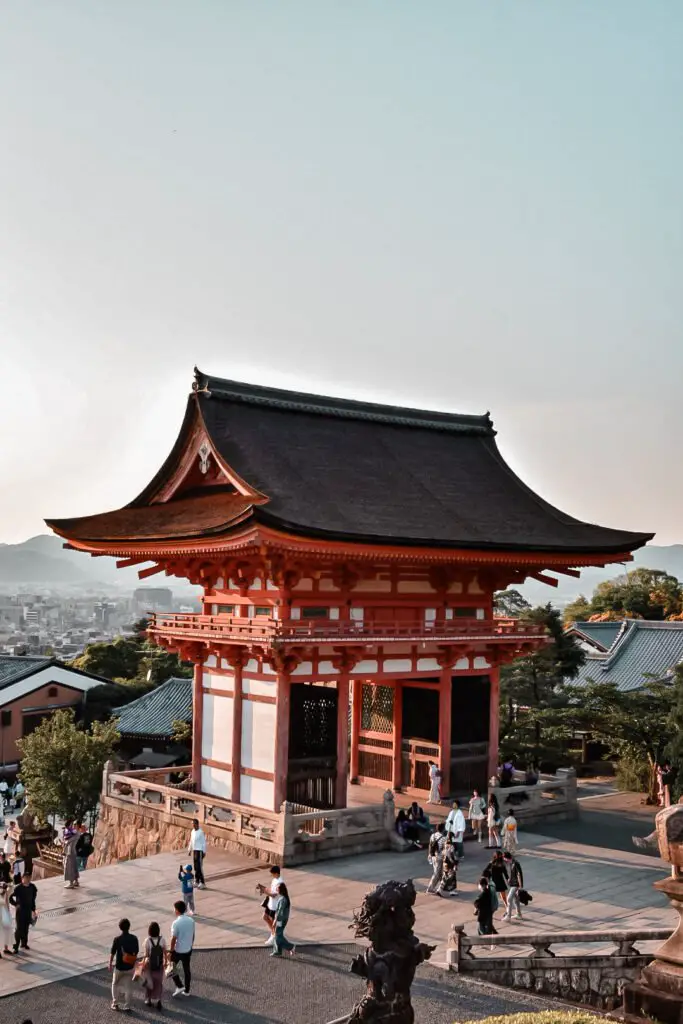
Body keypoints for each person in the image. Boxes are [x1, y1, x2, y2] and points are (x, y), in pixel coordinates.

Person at [108, 917, 139, 1012]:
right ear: (129, 927)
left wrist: (110, 963)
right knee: (128, 987)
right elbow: (136, 952)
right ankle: (127, 1006)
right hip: (130, 966)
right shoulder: (134, 938)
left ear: (119, 927)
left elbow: (112, 952)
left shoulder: (117, 939)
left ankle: (115, 1003)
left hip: (119, 967)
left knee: (115, 984)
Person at [170, 899, 195, 998]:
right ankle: (187, 990)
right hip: (188, 949)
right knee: (187, 969)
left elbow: (173, 938)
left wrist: (171, 950)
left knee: (171, 967)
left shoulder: (176, 923)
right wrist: (190, 945)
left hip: (178, 950)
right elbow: (193, 935)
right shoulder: (191, 920)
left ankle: (179, 985)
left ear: (177, 910)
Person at [257, 865, 286, 945]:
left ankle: (274, 936)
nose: (271, 875)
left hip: (275, 906)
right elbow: (271, 890)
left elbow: (274, 895)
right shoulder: (274, 880)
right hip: (270, 904)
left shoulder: (280, 883)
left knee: (274, 922)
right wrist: (263, 888)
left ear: (276, 873)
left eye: (272, 874)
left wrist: (265, 891)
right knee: (265, 917)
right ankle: (273, 934)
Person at [9, 872, 37, 954]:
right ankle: (15, 947)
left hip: (28, 910)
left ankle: (24, 943)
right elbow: (10, 897)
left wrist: (34, 910)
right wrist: (15, 904)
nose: (27, 879)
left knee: (26, 928)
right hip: (20, 911)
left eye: (29, 877)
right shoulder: (18, 888)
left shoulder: (32, 887)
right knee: (19, 929)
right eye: (26, 877)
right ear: (22, 878)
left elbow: (33, 900)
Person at [143, 920, 167, 1010]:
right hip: (160, 964)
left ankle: (148, 1000)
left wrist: (143, 964)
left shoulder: (147, 941)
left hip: (150, 965)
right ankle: (158, 1000)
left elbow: (146, 955)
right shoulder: (162, 940)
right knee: (158, 983)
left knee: (149, 982)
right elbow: (165, 952)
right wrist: (166, 962)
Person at [271, 881, 295, 957]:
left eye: (277, 888)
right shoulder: (283, 898)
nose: (276, 890)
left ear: (281, 890)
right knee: (277, 935)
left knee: (278, 936)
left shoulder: (282, 900)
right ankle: (277, 951)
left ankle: (290, 947)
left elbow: (280, 911)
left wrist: (275, 920)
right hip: (282, 919)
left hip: (280, 920)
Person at [425, 824, 446, 897]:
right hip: (439, 857)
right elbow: (443, 849)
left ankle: (442, 887)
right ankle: (430, 888)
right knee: (437, 873)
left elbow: (430, 845)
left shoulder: (433, 835)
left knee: (437, 872)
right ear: (443, 829)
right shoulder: (443, 838)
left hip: (432, 856)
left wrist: (429, 854)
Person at [502, 852, 524, 921]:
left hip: (516, 884)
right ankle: (519, 914)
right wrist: (510, 879)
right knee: (516, 900)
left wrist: (520, 886)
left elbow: (519, 875)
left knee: (509, 898)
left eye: (504, 858)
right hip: (513, 883)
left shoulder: (515, 863)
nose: (504, 860)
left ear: (506, 858)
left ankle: (508, 916)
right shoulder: (512, 862)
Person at [188, 819, 206, 889]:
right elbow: (191, 841)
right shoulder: (192, 831)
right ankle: (197, 881)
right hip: (195, 850)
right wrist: (189, 849)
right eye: (192, 824)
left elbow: (203, 843)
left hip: (200, 850)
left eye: (194, 824)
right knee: (195, 867)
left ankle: (202, 882)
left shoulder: (201, 832)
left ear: (197, 824)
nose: (193, 825)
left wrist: (204, 852)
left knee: (199, 867)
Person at [0, 881, 12, 955]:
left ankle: (6, 948)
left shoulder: (6, 893)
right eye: (2, 888)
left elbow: (11, 888)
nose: (3, 889)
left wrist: (8, 885)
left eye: (4, 888)